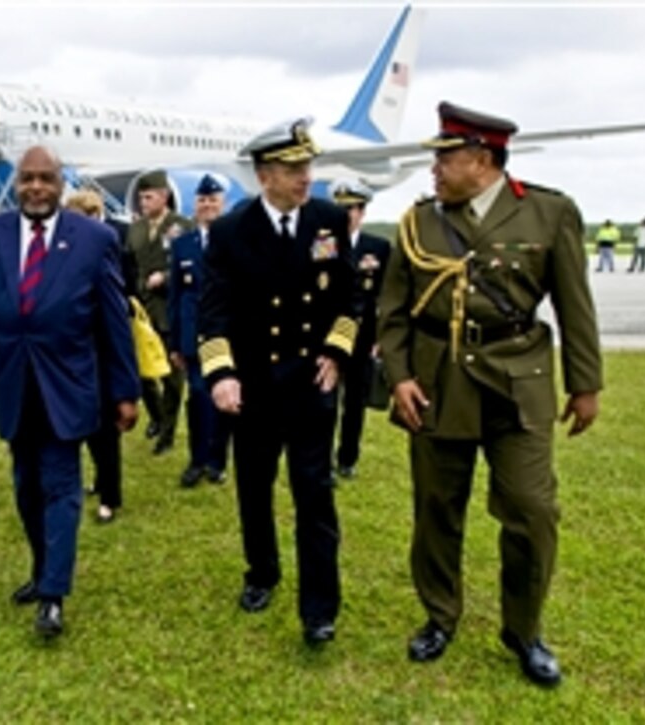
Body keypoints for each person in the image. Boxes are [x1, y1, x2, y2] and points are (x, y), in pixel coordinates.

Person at [378, 102, 602, 687]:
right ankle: (440, 617)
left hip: (516, 384)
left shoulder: (548, 213)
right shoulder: (418, 221)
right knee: (436, 510)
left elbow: (575, 304)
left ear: (481, 160)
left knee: (532, 511)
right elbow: (393, 311)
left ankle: (524, 631)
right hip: (436, 386)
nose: (434, 169)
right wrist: (398, 376)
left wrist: (585, 383)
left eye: (444, 158)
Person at [0, 146, 139, 638]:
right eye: (27, 179)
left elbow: (113, 323)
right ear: (16, 183)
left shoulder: (94, 238)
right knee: (26, 486)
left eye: (45, 178)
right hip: (13, 384)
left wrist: (124, 390)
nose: (36, 187)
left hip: (70, 384)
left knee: (61, 484)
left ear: (61, 183)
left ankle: (53, 594)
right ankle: (43, 570)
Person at [199, 119, 358, 647]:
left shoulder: (329, 219)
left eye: (307, 167)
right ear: (265, 176)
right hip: (255, 386)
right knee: (254, 487)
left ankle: (319, 609)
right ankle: (261, 572)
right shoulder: (230, 231)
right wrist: (221, 373)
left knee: (315, 494)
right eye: (293, 170)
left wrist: (337, 349)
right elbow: (214, 310)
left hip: (311, 381)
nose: (304, 178)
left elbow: (350, 297)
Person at [64, 189, 129, 524]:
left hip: (100, 354)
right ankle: (99, 481)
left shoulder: (108, 247)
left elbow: (118, 307)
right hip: (70, 358)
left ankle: (110, 496)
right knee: (81, 430)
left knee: (105, 432)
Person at [167, 174, 231, 487]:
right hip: (192, 336)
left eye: (213, 200)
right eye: (202, 200)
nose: (207, 206)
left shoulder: (234, 242)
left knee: (223, 401)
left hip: (225, 337)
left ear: (223, 205)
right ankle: (196, 460)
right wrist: (174, 342)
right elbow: (176, 296)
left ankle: (217, 462)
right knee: (198, 399)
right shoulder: (182, 245)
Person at [125, 170, 194, 454]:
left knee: (172, 377)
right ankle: (156, 416)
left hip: (169, 309)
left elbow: (189, 265)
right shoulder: (136, 229)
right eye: (141, 197)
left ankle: (166, 435)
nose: (143, 202)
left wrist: (165, 277)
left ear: (164, 196)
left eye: (149, 197)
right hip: (142, 310)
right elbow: (130, 263)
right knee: (141, 372)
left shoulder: (182, 226)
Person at [328, 179, 391, 480]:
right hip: (326, 337)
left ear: (362, 212)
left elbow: (386, 296)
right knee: (324, 400)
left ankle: (347, 459)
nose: (346, 214)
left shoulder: (377, 247)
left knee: (355, 402)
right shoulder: (323, 245)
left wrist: (381, 338)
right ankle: (322, 455)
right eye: (341, 208)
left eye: (352, 209)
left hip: (363, 337)